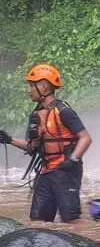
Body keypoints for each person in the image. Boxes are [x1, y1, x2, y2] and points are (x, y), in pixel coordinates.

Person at [0, 64, 92, 224]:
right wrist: (9, 140)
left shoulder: (63, 111)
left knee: (71, 220)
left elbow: (85, 138)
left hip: (66, 171)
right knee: (37, 219)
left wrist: (73, 160)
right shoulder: (37, 115)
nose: (29, 90)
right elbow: (32, 147)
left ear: (44, 86)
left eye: (31, 85)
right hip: (47, 172)